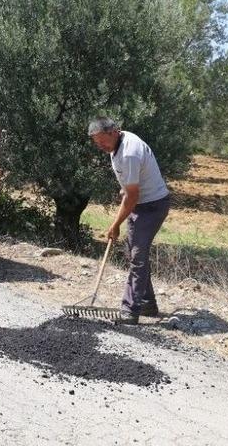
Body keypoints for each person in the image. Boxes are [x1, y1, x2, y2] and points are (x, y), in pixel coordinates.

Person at [88, 117, 171, 325]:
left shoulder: (129, 152)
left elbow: (132, 196)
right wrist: (126, 187)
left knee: (137, 255)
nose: (100, 146)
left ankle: (129, 310)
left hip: (152, 205)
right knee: (134, 252)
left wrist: (114, 225)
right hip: (139, 203)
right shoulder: (114, 146)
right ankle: (147, 304)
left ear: (114, 131)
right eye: (96, 143)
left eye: (102, 141)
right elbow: (130, 188)